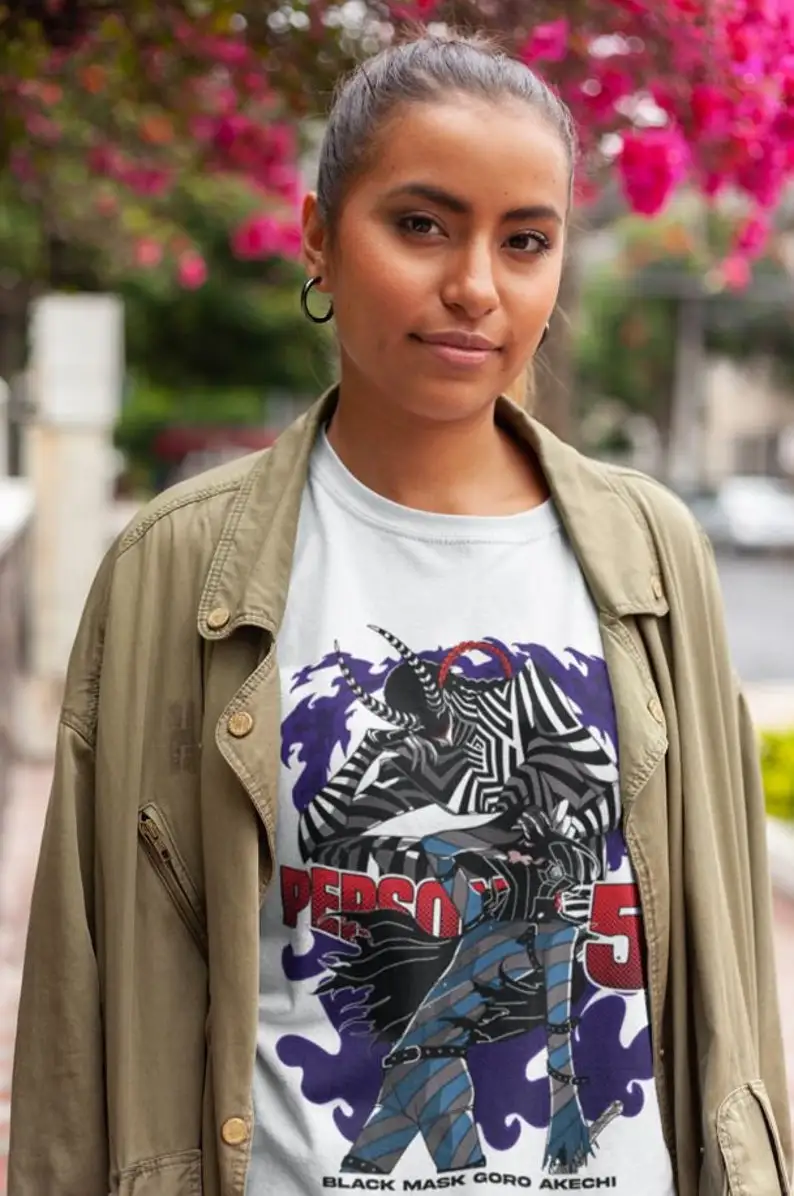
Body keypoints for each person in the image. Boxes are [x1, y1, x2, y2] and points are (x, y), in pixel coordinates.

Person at [8, 30, 792, 1196]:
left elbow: (730, 988)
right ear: (320, 236)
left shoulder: (651, 556)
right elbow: (75, 1018)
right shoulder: (174, 569)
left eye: (523, 240)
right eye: (421, 224)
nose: (475, 285)